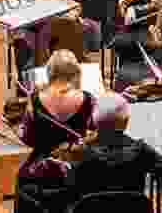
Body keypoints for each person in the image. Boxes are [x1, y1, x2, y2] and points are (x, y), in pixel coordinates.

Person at [14, 50, 96, 213]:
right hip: (75, 168)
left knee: (20, 179)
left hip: (41, 168)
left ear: (49, 72)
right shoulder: (88, 99)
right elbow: (95, 134)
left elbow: (27, 138)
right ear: (76, 72)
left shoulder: (36, 98)